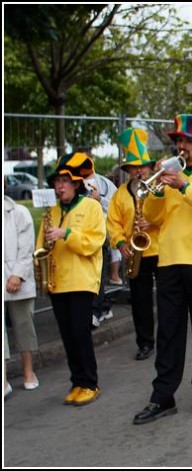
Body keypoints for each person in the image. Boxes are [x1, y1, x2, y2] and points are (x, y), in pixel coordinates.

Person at [133, 114, 192, 425]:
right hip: (170, 261)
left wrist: (184, 184)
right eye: (178, 141)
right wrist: (160, 190)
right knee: (169, 332)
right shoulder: (167, 176)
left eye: (186, 141)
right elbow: (152, 216)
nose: (181, 146)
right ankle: (162, 397)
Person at [37, 152, 106, 406]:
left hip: (81, 280)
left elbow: (94, 243)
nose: (59, 186)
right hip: (57, 281)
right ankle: (77, 382)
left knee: (80, 333)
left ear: (76, 184)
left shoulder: (91, 207)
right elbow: (41, 246)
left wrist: (67, 233)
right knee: (67, 335)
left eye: (64, 181)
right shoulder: (51, 212)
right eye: (56, 182)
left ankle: (90, 383)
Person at [106, 128, 160, 361]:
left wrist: (153, 221)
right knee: (140, 301)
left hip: (161, 250)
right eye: (134, 168)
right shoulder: (119, 194)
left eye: (143, 167)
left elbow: (171, 215)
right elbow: (113, 223)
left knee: (169, 298)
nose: (139, 171)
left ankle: (169, 337)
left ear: (149, 168)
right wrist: (120, 243)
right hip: (135, 252)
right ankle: (145, 342)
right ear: (128, 171)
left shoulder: (159, 190)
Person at [4, 192, 40, 390]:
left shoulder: (19, 212)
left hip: (18, 279)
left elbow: (26, 249)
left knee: (24, 325)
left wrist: (18, 274)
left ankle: (28, 370)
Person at [81, 156, 118, 328]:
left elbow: (115, 207)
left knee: (97, 276)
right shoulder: (77, 184)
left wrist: (99, 199)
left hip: (99, 234)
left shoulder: (103, 183)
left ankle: (95, 311)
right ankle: (103, 307)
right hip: (82, 235)